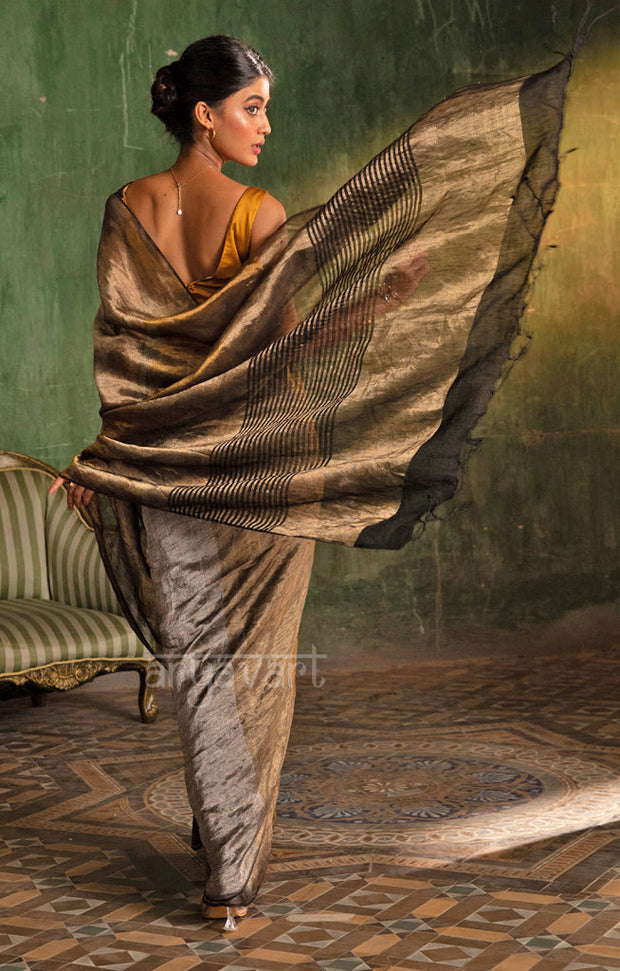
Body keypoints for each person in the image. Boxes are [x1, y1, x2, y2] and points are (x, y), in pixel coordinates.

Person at [50, 28, 575, 932]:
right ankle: (229, 878)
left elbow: (130, 360)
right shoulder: (256, 215)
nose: (266, 125)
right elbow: (287, 357)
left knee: (202, 663)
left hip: (157, 472)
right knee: (248, 671)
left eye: (268, 107)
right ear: (204, 115)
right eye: (252, 108)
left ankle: (220, 828)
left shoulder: (127, 206)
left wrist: (110, 455)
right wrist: (380, 302)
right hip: (253, 480)